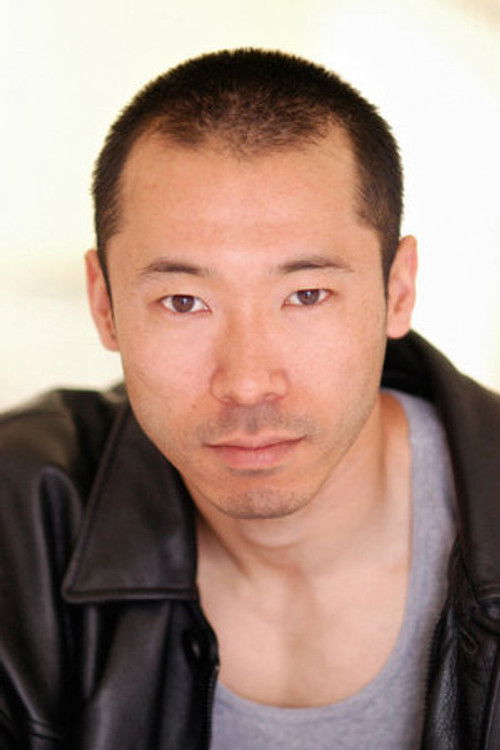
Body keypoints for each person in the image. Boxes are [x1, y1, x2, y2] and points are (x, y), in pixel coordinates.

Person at [0, 48, 499, 750]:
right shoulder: (19, 524)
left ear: (398, 289)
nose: (247, 382)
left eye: (307, 295)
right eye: (183, 301)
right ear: (104, 304)